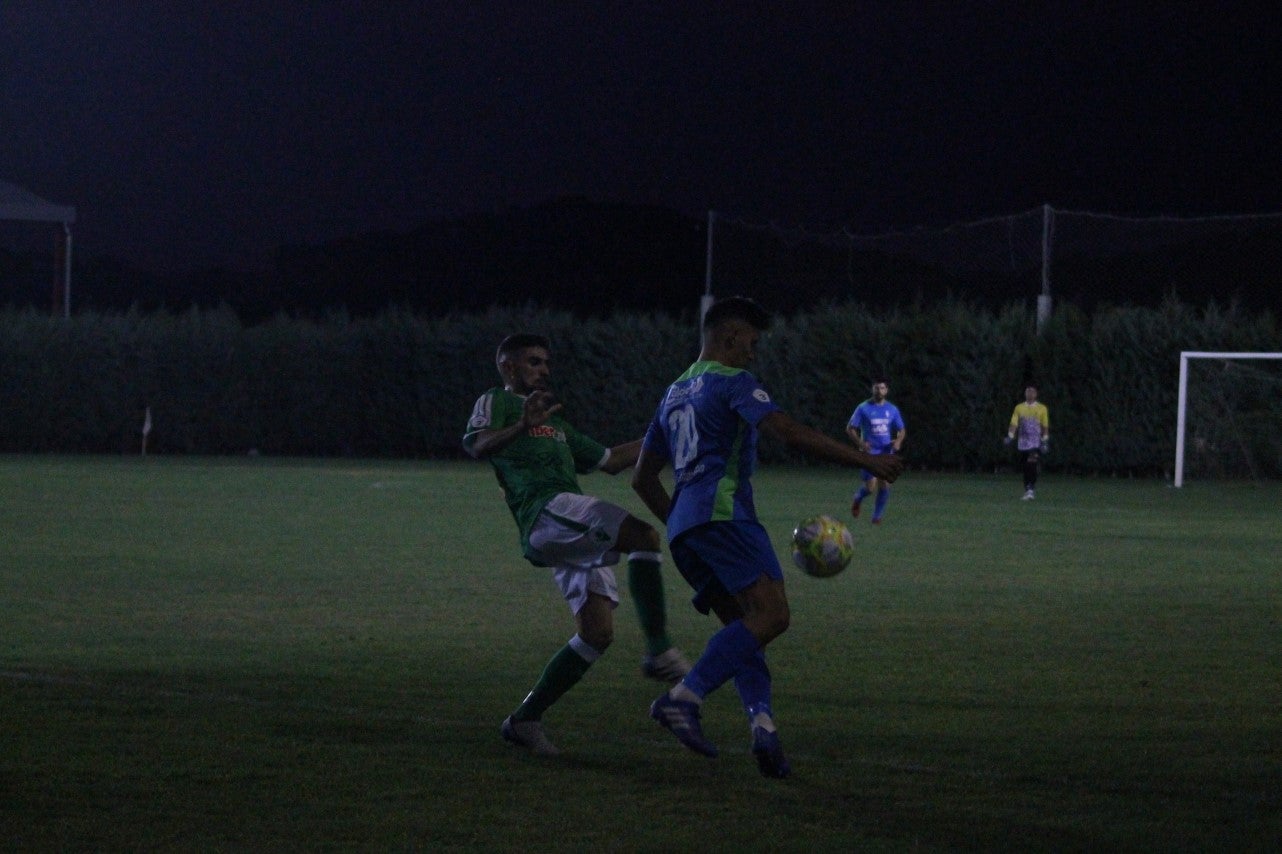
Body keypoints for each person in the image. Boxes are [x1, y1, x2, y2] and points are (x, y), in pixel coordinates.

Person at [632, 297, 904, 778]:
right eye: (751, 343)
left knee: (744, 628)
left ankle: (764, 728)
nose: (754, 354)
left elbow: (642, 479)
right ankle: (682, 699)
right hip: (726, 518)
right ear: (730, 337)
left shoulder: (672, 393)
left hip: (685, 532)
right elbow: (788, 432)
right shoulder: (733, 381)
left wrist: (681, 520)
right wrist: (868, 461)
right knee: (773, 615)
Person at [463, 333, 691, 757]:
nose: (544, 369)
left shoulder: (556, 422)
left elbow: (611, 460)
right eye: (534, 362)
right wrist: (521, 426)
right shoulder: (496, 400)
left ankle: (524, 720)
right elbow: (479, 446)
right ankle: (659, 650)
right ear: (508, 367)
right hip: (545, 512)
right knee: (643, 535)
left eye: (546, 362)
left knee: (596, 633)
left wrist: (669, 432)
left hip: (566, 521)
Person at [845, 377, 906, 524]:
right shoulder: (863, 408)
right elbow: (850, 428)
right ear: (872, 389)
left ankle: (876, 517)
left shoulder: (892, 409)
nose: (879, 391)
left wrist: (898, 441)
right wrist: (861, 443)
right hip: (869, 453)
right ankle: (858, 498)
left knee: (885, 483)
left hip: (886, 452)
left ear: (887, 390)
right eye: (876, 388)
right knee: (871, 487)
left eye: (882, 388)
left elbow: (901, 429)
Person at [1004, 384, 1050, 500]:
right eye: (1028, 391)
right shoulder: (1019, 408)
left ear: (1036, 394)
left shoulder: (1042, 408)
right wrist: (1010, 436)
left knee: (1032, 463)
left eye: (1032, 392)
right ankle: (1028, 489)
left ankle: (1031, 489)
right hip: (1023, 442)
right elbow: (1014, 423)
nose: (1030, 394)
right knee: (1026, 466)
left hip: (1035, 442)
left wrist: (1044, 440)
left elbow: (1044, 426)